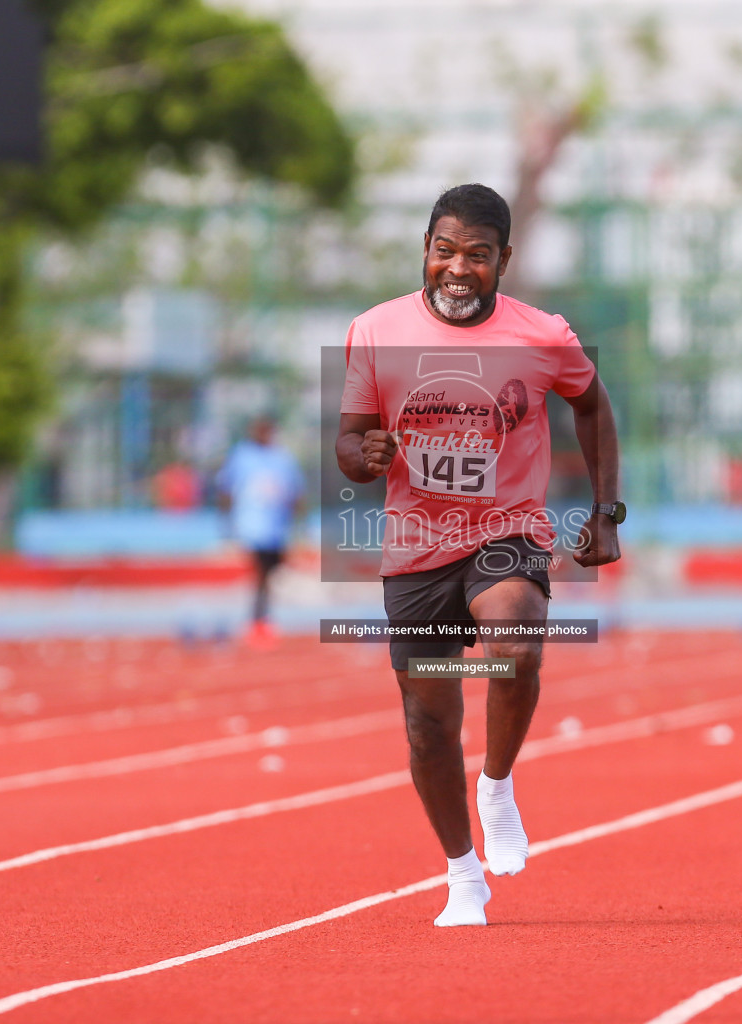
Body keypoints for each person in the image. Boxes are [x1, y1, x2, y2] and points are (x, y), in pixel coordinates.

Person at [336, 183, 624, 926]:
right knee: (429, 725)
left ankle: (497, 786)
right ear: (425, 251)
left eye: (477, 255)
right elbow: (349, 441)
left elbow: (592, 405)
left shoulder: (542, 335)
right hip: (415, 550)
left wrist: (604, 512)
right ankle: (464, 874)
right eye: (444, 251)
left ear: (503, 260)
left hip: (506, 534)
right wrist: (363, 455)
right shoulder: (375, 330)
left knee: (516, 639)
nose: (458, 269)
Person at [216, 415, 305, 644]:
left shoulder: (283, 458)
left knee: (271, 572)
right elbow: (226, 490)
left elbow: (295, 493)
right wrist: (226, 526)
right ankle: (258, 619)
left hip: (276, 528)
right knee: (262, 572)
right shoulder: (241, 456)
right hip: (251, 526)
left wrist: (298, 526)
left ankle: (260, 616)